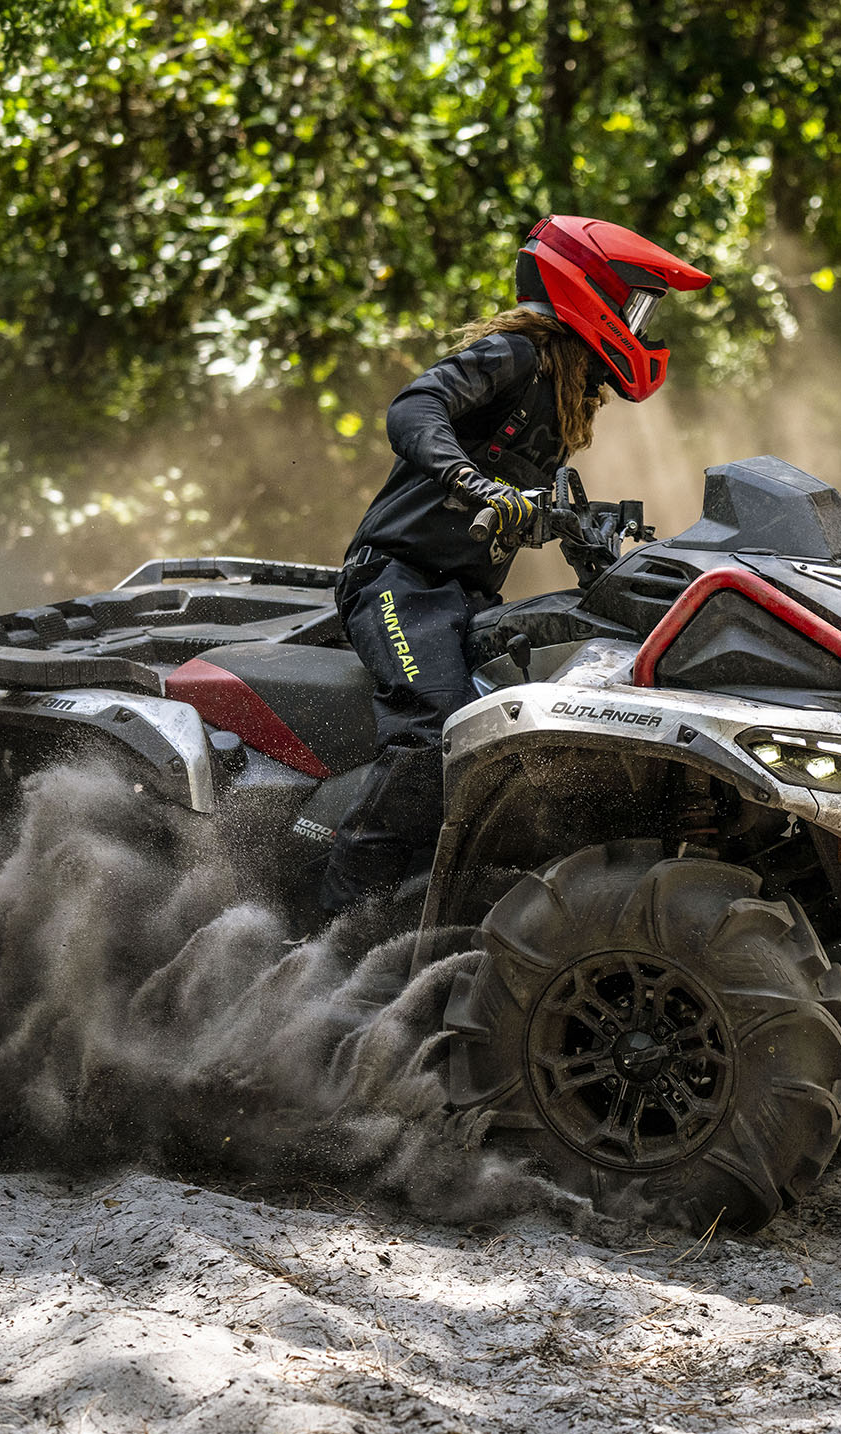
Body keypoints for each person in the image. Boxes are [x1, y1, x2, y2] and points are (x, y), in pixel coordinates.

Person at [319, 215, 710, 915]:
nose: (642, 328)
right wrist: (473, 483)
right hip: (396, 581)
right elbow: (416, 407)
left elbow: (540, 508)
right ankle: (334, 926)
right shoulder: (516, 355)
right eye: (636, 307)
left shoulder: (565, 386)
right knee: (435, 733)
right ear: (590, 292)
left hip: (462, 599)